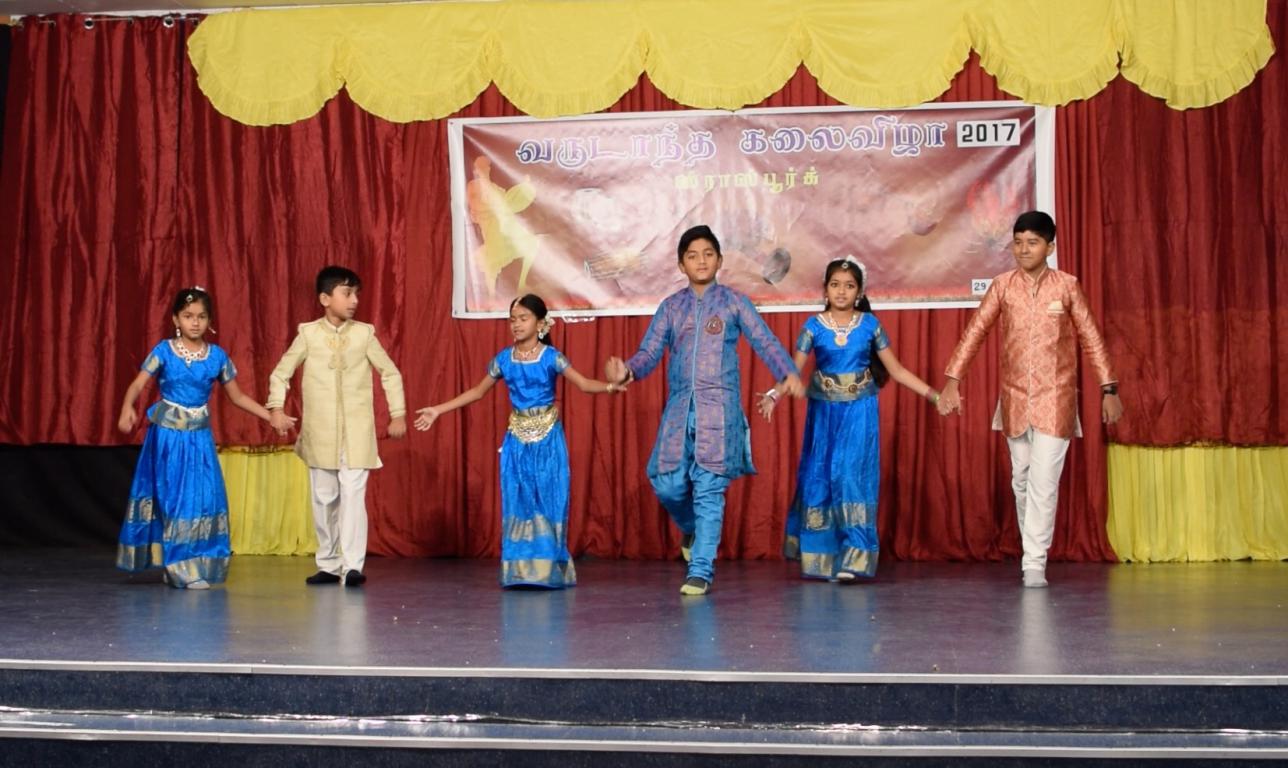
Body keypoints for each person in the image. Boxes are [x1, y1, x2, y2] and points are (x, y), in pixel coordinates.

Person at [606, 225, 803, 596]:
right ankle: (692, 529)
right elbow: (649, 353)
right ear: (681, 265)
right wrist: (627, 371)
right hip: (680, 408)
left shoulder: (734, 303)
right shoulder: (671, 307)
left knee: (709, 490)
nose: (701, 261)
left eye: (708, 254)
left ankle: (700, 570)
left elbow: (764, 340)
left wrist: (787, 372)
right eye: (692, 256)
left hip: (719, 411)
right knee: (665, 482)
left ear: (720, 261)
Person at [937, 211, 1123, 588]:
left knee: (1042, 482)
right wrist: (953, 380)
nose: (1024, 249)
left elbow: (1091, 338)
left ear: (1050, 247)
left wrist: (1109, 389)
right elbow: (975, 332)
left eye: (1032, 243)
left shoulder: (1067, 286)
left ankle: (1034, 562)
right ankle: (1032, 550)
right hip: (1015, 399)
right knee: (1021, 480)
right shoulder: (1002, 286)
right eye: (1018, 242)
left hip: (1056, 398)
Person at [414, 294, 621, 588]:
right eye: (513, 319)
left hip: (548, 440)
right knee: (518, 501)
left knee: (549, 499)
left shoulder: (551, 357)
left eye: (523, 318)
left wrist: (611, 386)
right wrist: (438, 409)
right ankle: (521, 571)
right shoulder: (503, 360)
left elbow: (584, 384)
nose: (516, 324)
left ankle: (548, 571)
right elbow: (477, 392)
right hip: (517, 442)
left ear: (540, 323)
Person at [759, 257, 941, 581]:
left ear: (859, 292)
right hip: (823, 414)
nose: (841, 291)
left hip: (859, 412)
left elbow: (897, 371)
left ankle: (856, 558)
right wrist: (774, 395)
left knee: (850, 476)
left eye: (849, 286)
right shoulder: (813, 326)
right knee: (820, 477)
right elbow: (791, 371)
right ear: (825, 290)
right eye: (835, 285)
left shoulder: (870, 325)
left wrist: (935, 396)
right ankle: (822, 560)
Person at [117, 287, 284, 589]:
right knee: (175, 500)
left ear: (209, 321)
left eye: (201, 317)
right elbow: (138, 384)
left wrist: (269, 416)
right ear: (176, 319)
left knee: (203, 499)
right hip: (168, 440)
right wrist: (127, 406)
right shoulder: (164, 351)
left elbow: (238, 397)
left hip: (199, 441)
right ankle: (179, 566)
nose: (195, 322)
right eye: (188, 316)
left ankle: (190, 563)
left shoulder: (217, 357)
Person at [267, 266, 406, 588]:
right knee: (324, 498)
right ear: (325, 299)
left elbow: (390, 373)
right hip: (320, 432)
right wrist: (276, 408)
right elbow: (281, 373)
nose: (354, 300)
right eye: (347, 293)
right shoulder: (308, 334)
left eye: (356, 294)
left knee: (354, 496)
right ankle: (328, 564)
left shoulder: (364, 334)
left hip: (357, 432)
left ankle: (353, 565)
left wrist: (397, 413)